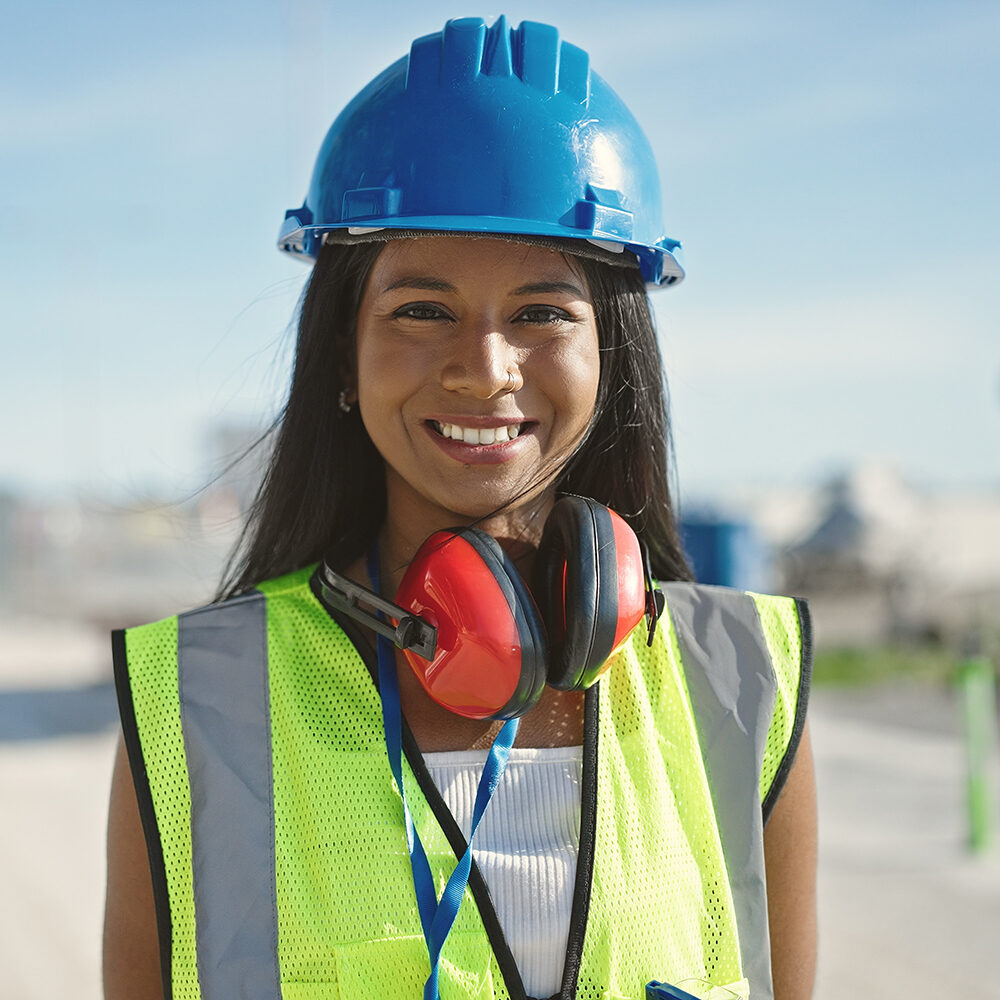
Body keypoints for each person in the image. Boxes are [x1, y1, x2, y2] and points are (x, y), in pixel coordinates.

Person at [104, 15, 816, 1000]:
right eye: (421, 310)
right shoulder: (202, 702)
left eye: (542, 313)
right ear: (341, 362)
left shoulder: (742, 683)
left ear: (611, 359)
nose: (484, 371)